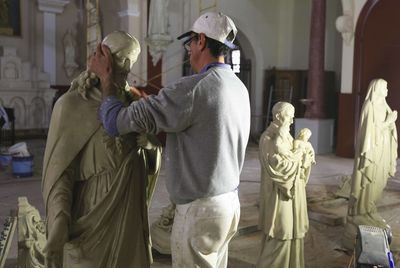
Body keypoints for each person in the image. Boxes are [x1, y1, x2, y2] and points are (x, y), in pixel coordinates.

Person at [89, 11, 251, 268]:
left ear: (200, 40)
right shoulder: (237, 86)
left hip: (199, 210)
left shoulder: (193, 88)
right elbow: (199, 131)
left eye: (189, 44)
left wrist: (108, 78)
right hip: (228, 205)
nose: (188, 51)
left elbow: (113, 122)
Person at [42, 31, 162, 268]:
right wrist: (58, 222)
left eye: (131, 63)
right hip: (91, 213)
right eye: (126, 61)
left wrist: (151, 147)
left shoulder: (133, 104)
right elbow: (60, 174)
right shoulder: (71, 105)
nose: (128, 68)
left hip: (129, 212)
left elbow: (149, 157)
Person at [257, 102, 313, 268]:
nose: (292, 119)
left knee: (292, 234)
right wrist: (300, 157)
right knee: (281, 233)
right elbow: (279, 169)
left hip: (292, 194)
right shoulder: (268, 138)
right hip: (279, 196)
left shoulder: (286, 135)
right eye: (289, 115)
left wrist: (305, 158)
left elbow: (290, 159)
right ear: (278, 116)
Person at [347, 78, 397, 228]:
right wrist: (389, 121)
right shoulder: (370, 106)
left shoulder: (384, 105)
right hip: (372, 151)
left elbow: (386, 128)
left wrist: (390, 123)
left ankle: (370, 207)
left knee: (380, 179)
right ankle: (361, 211)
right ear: (377, 89)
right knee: (371, 178)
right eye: (385, 87)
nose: (387, 90)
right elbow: (370, 132)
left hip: (384, 148)